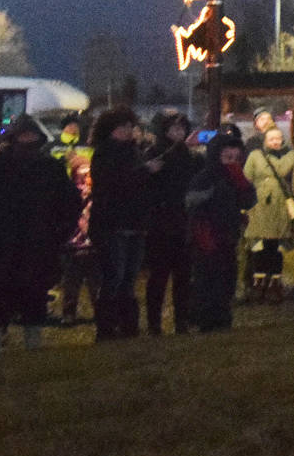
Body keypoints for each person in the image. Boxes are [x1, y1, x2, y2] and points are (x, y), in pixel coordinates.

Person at [0, 116, 81, 353]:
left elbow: (69, 203)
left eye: (32, 136)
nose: (27, 141)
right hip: (2, 242)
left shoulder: (50, 167)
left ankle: (33, 343)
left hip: (37, 242)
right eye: (23, 136)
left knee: (34, 292)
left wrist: (58, 232)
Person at [88, 107, 156, 339]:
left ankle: (127, 325)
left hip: (133, 222)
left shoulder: (134, 152)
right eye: (122, 127)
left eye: (130, 126)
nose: (128, 131)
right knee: (114, 277)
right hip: (113, 224)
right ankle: (107, 327)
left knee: (128, 277)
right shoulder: (105, 154)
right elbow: (114, 184)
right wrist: (145, 171)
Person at [185, 131, 255, 332]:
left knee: (227, 276)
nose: (231, 162)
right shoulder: (205, 178)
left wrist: (241, 182)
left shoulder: (235, 176)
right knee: (207, 277)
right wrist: (202, 231)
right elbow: (194, 205)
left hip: (228, 234)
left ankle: (222, 316)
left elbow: (248, 201)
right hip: (207, 234)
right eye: (227, 158)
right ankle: (205, 318)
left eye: (235, 158)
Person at [143, 110, 201, 334]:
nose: (179, 132)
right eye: (174, 129)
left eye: (181, 128)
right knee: (158, 276)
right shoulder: (155, 153)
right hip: (160, 222)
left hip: (183, 221)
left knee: (183, 276)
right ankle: (154, 323)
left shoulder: (189, 155)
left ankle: (181, 321)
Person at [242, 127, 294, 303]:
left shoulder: (291, 156)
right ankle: (259, 284)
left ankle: (275, 284)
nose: (275, 141)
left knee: (277, 245)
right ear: (265, 140)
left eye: (279, 138)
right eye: (272, 138)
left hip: (281, 206)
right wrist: (243, 206)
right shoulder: (255, 156)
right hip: (259, 206)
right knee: (260, 245)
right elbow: (246, 180)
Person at [59, 156, 97, 325]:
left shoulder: (96, 192)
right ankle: (68, 313)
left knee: (95, 281)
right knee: (71, 282)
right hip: (73, 243)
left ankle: (100, 311)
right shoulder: (69, 192)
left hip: (93, 243)